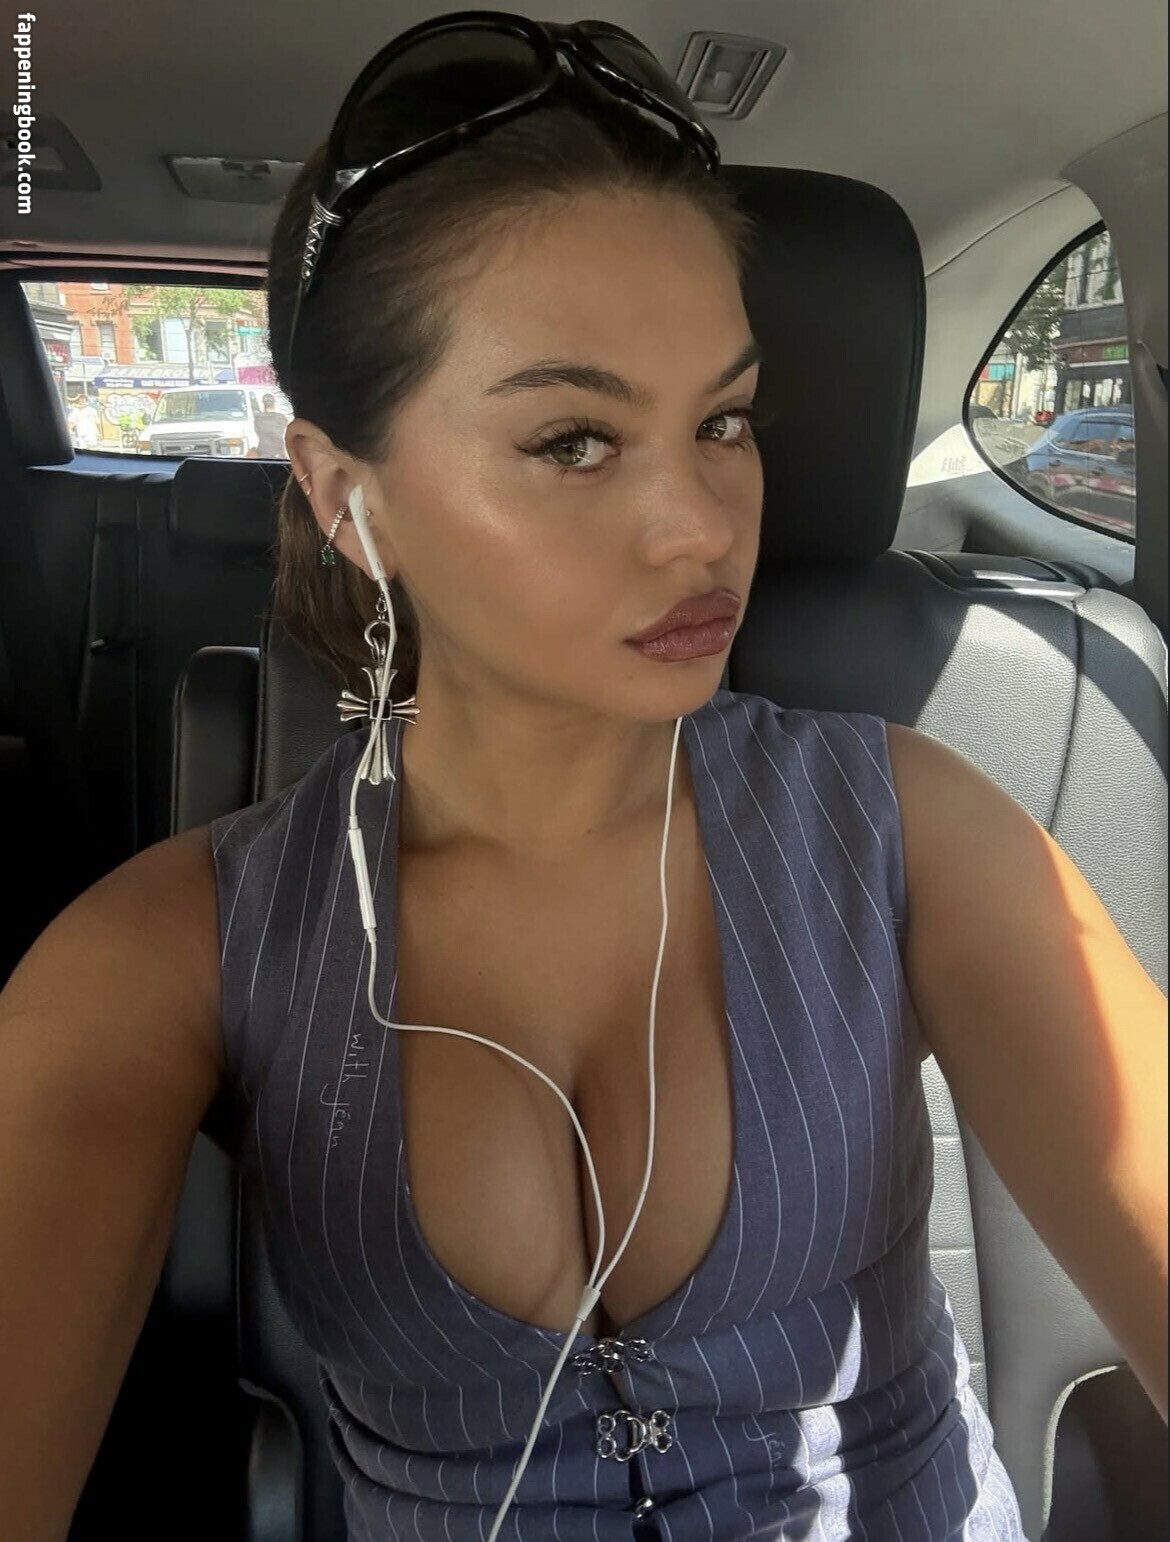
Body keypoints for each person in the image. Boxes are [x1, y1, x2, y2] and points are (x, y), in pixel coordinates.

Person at [2, 14, 1166, 1542]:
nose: (702, 526)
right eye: (571, 440)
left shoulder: (916, 833)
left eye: (724, 420)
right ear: (347, 496)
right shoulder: (168, 956)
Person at [254, 389, 290, 458]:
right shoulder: (281, 417)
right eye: (266, 400)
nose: (268, 401)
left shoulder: (258, 418)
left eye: (269, 400)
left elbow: (257, 432)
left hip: (268, 452)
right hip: (272, 452)